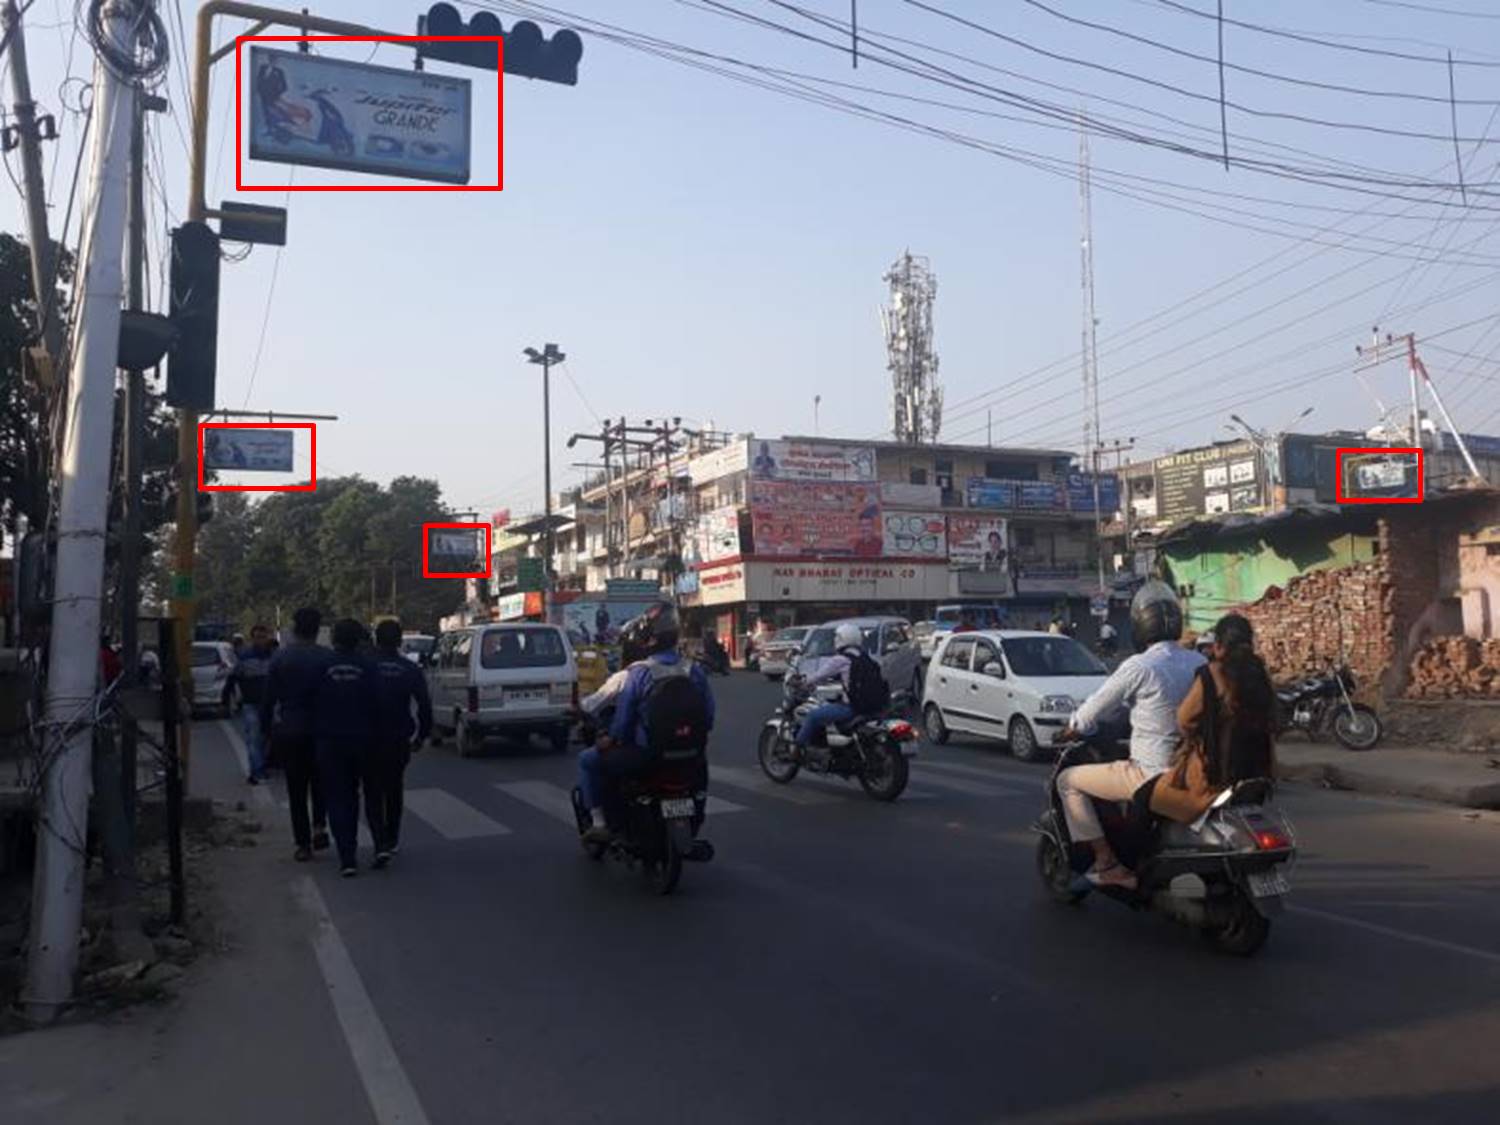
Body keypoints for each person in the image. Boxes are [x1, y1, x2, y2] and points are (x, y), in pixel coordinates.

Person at [1055, 581, 1205, 890]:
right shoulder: (1198, 661)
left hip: (1150, 772)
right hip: (1192, 768)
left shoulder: (1139, 666)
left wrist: (1073, 727)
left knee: (1067, 781)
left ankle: (1106, 862)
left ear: (1140, 626)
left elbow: (1093, 709)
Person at [577, 603, 715, 843]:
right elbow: (709, 715)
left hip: (646, 755)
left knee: (588, 759)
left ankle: (601, 825)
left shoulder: (639, 673)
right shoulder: (694, 670)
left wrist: (611, 740)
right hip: (692, 754)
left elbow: (624, 722)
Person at [1150, 614, 1277, 824]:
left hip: (1214, 778)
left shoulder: (1212, 675)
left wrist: (1199, 736)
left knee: (1149, 797)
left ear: (1218, 645)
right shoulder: (1261, 675)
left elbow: (1184, 719)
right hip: (1259, 776)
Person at [314, 619, 380, 877]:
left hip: (331, 740)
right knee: (371, 793)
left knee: (339, 799)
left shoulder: (321, 665)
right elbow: (379, 702)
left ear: (334, 639)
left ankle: (347, 858)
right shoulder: (369, 666)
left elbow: (311, 700)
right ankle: (381, 844)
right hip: (365, 739)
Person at [265, 607, 332, 862]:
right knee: (320, 783)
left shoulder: (281, 658)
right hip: (323, 730)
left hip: (291, 730)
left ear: (294, 629)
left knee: (296, 789)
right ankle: (319, 825)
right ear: (317, 629)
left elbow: (268, 699)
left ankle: (303, 844)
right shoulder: (328, 658)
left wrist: (265, 730)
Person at [369, 619, 433, 865]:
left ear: (376, 639)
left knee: (373, 791)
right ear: (399, 641)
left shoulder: (366, 666)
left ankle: (379, 842)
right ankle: (391, 838)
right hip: (398, 738)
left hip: (369, 737)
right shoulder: (409, 669)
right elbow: (424, 705)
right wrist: (421, 736)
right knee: (394, 789)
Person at [792, 622, 888, 756]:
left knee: (813, 716)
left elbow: (819, 675)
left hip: (852, 708)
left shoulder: (841, 659)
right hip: (871, 706)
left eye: (837, 637)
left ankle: (796, 750)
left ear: (842, 639)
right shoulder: (864, 656)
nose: (835, 640)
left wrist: (803, 683)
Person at [232, 624, 276, 784]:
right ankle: (256, 772)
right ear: (252, 639)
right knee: (254, 738)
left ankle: (261, 767)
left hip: (269, 705)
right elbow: (234, 677)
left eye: (263, 637)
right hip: (251, 704)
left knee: (265, 738)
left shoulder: (274, 657)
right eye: (258, 637)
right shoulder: (245, 657)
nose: (261, 640)